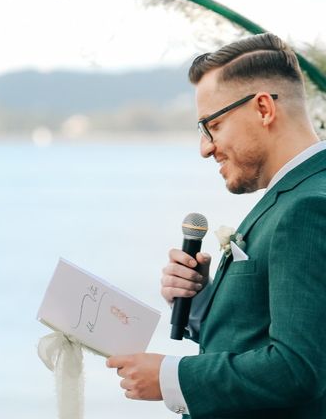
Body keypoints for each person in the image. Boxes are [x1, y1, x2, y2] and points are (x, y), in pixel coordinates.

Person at [106, 33, 326, 418]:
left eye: (214, 125)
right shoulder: (299, 192)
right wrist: (203, 303)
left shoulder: (306, 207)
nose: (206, 147)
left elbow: (299, 368)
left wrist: (171, 377)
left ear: (262, 109)